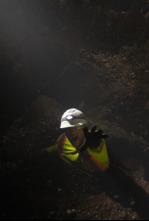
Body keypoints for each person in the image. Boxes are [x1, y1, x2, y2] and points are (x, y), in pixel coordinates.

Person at [46, 108, 110, 174]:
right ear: (64, 131)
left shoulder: (95, 138)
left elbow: (101, 167)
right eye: (68, 129)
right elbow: (57, 147)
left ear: (84, 127)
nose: (73, 132)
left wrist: (94, 144)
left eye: (77, 127)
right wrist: (43, 152)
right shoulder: (63, 140)